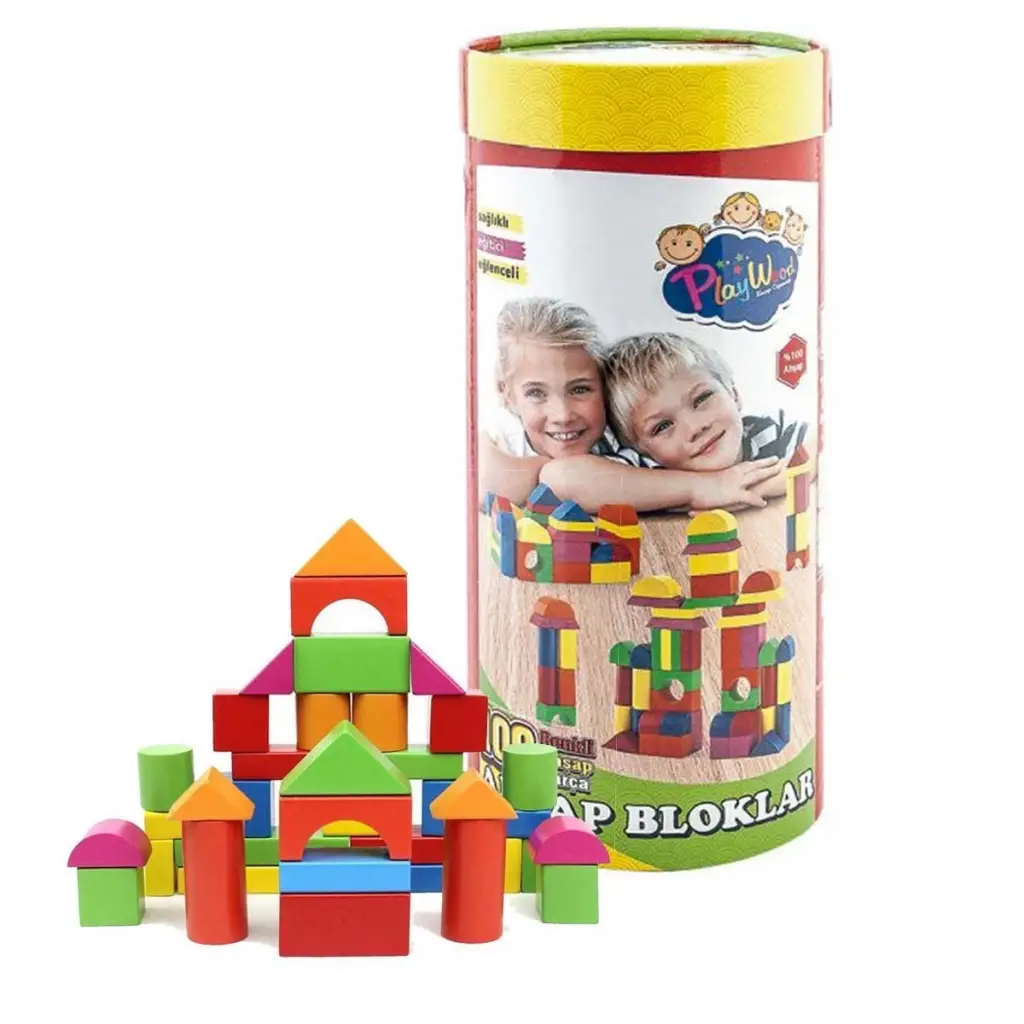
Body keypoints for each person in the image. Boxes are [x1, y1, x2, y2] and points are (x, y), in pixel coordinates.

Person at [538, 332, 808, 513]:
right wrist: (702, 489)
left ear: (733, 393)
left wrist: (744, 489)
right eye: (662, 427)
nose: (695, 428)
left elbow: (826, 446)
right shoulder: (646, 468)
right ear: (638, 447)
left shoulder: (768, 433)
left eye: (702, 398)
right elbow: (559, 478)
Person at [480, 297, 629, 505]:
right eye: (536, 393)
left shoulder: (619, 434)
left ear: (605, 387)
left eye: (579, 389)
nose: (563, 415)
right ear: (506, 394)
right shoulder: (501, 433)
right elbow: (492, 484)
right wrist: (551, 472)